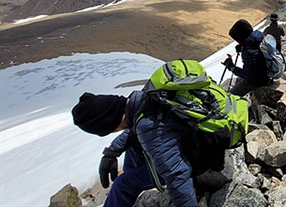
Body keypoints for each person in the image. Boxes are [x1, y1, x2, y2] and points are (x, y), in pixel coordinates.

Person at [71, 91, 223, 207]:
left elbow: (177, 174)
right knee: (133, 147)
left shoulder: (148, 127)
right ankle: (133, 183)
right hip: (193, 142)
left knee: (122, 185)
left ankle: (129, 187)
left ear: (109, 124)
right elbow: (132, 131)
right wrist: (112, 152)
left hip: (198, 158)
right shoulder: (144, 99)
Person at [222, 19, 270, 96]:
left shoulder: (249, 52)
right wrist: (243, 46)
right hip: (266, 74)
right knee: (238, 81)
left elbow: (248, 76)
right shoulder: (259, 38)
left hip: (258, 81)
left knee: (230, 97)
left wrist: (231, 67)